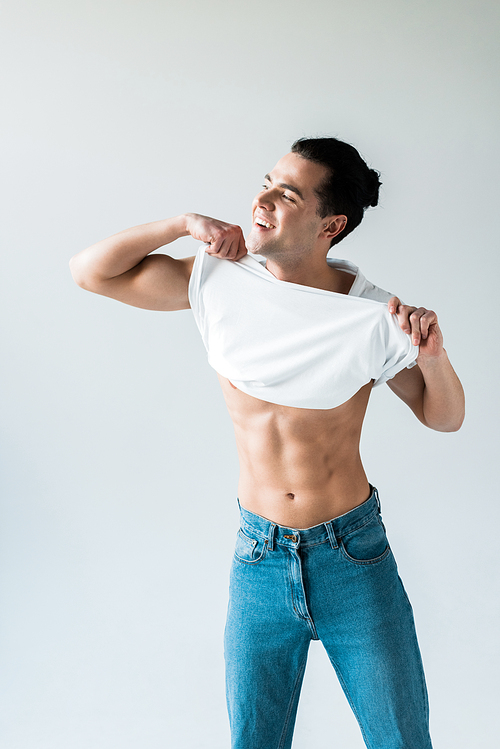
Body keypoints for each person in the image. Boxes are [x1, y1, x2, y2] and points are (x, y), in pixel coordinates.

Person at [69, 137, 464, 749]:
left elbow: (444, 418)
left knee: (402, 739)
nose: (262, 199)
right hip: (259, 555)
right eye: (266, 182)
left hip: (352, 558)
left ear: (331, 224)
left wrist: (433, 358)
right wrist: (181, 224)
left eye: (288, 193)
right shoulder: (216, 280)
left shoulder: (370, 316)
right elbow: (89, 272)